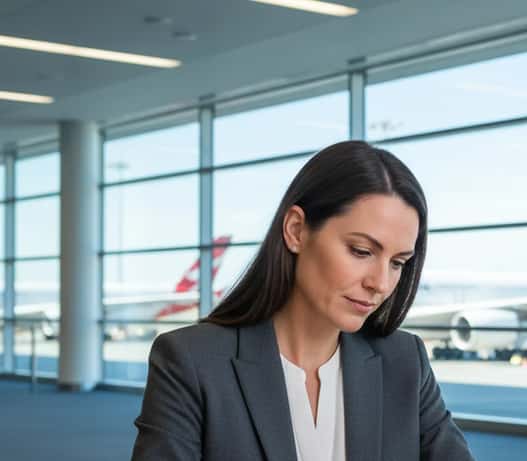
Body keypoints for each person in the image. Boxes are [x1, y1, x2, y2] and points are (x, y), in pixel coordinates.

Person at [131, 141, 475, 461]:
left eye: (398, 262)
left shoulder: (404, 362)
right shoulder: (191, 362)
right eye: (361, 251)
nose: (380, 283)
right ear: (296, 230)